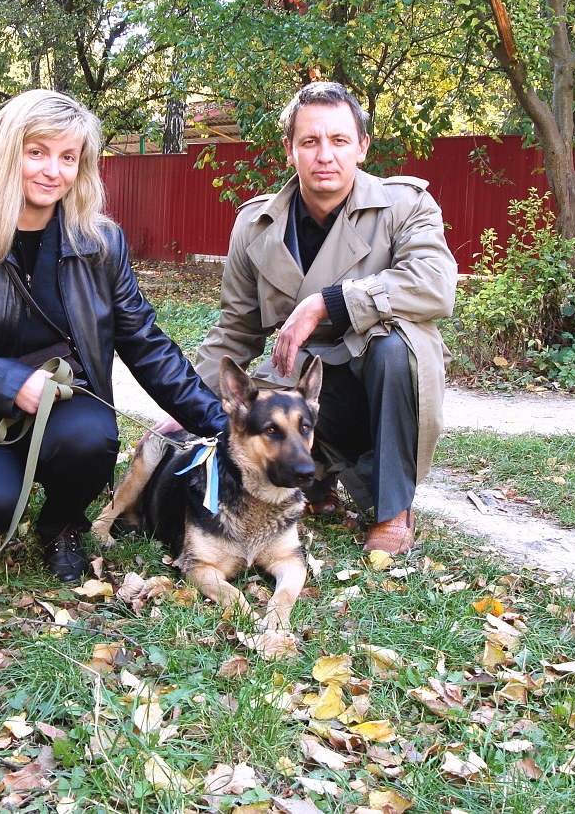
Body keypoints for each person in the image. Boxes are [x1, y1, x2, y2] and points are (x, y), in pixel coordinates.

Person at [0, 89, 227, 582]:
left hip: (65, 404)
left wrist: (220, 423)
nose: (53, 171)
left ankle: (61, 525)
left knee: (93, 438)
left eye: (68, 157)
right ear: (7, 151)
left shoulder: (100, 242)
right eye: (37, 152)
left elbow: (144, 341)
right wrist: (10, 383)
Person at [194, 82, 456, 555]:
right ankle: (314, 481)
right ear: (289, 149)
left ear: (362, 147)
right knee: (268, 398)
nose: (325, 155)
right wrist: (186, 406)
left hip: (380, 377)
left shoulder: (405, 205)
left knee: (396, 351)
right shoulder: (255, 225)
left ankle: (393, 509)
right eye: (310, 141)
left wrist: (328, 303)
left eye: (339, 140)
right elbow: (235, 328)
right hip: (309, 384)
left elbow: (435, 284)